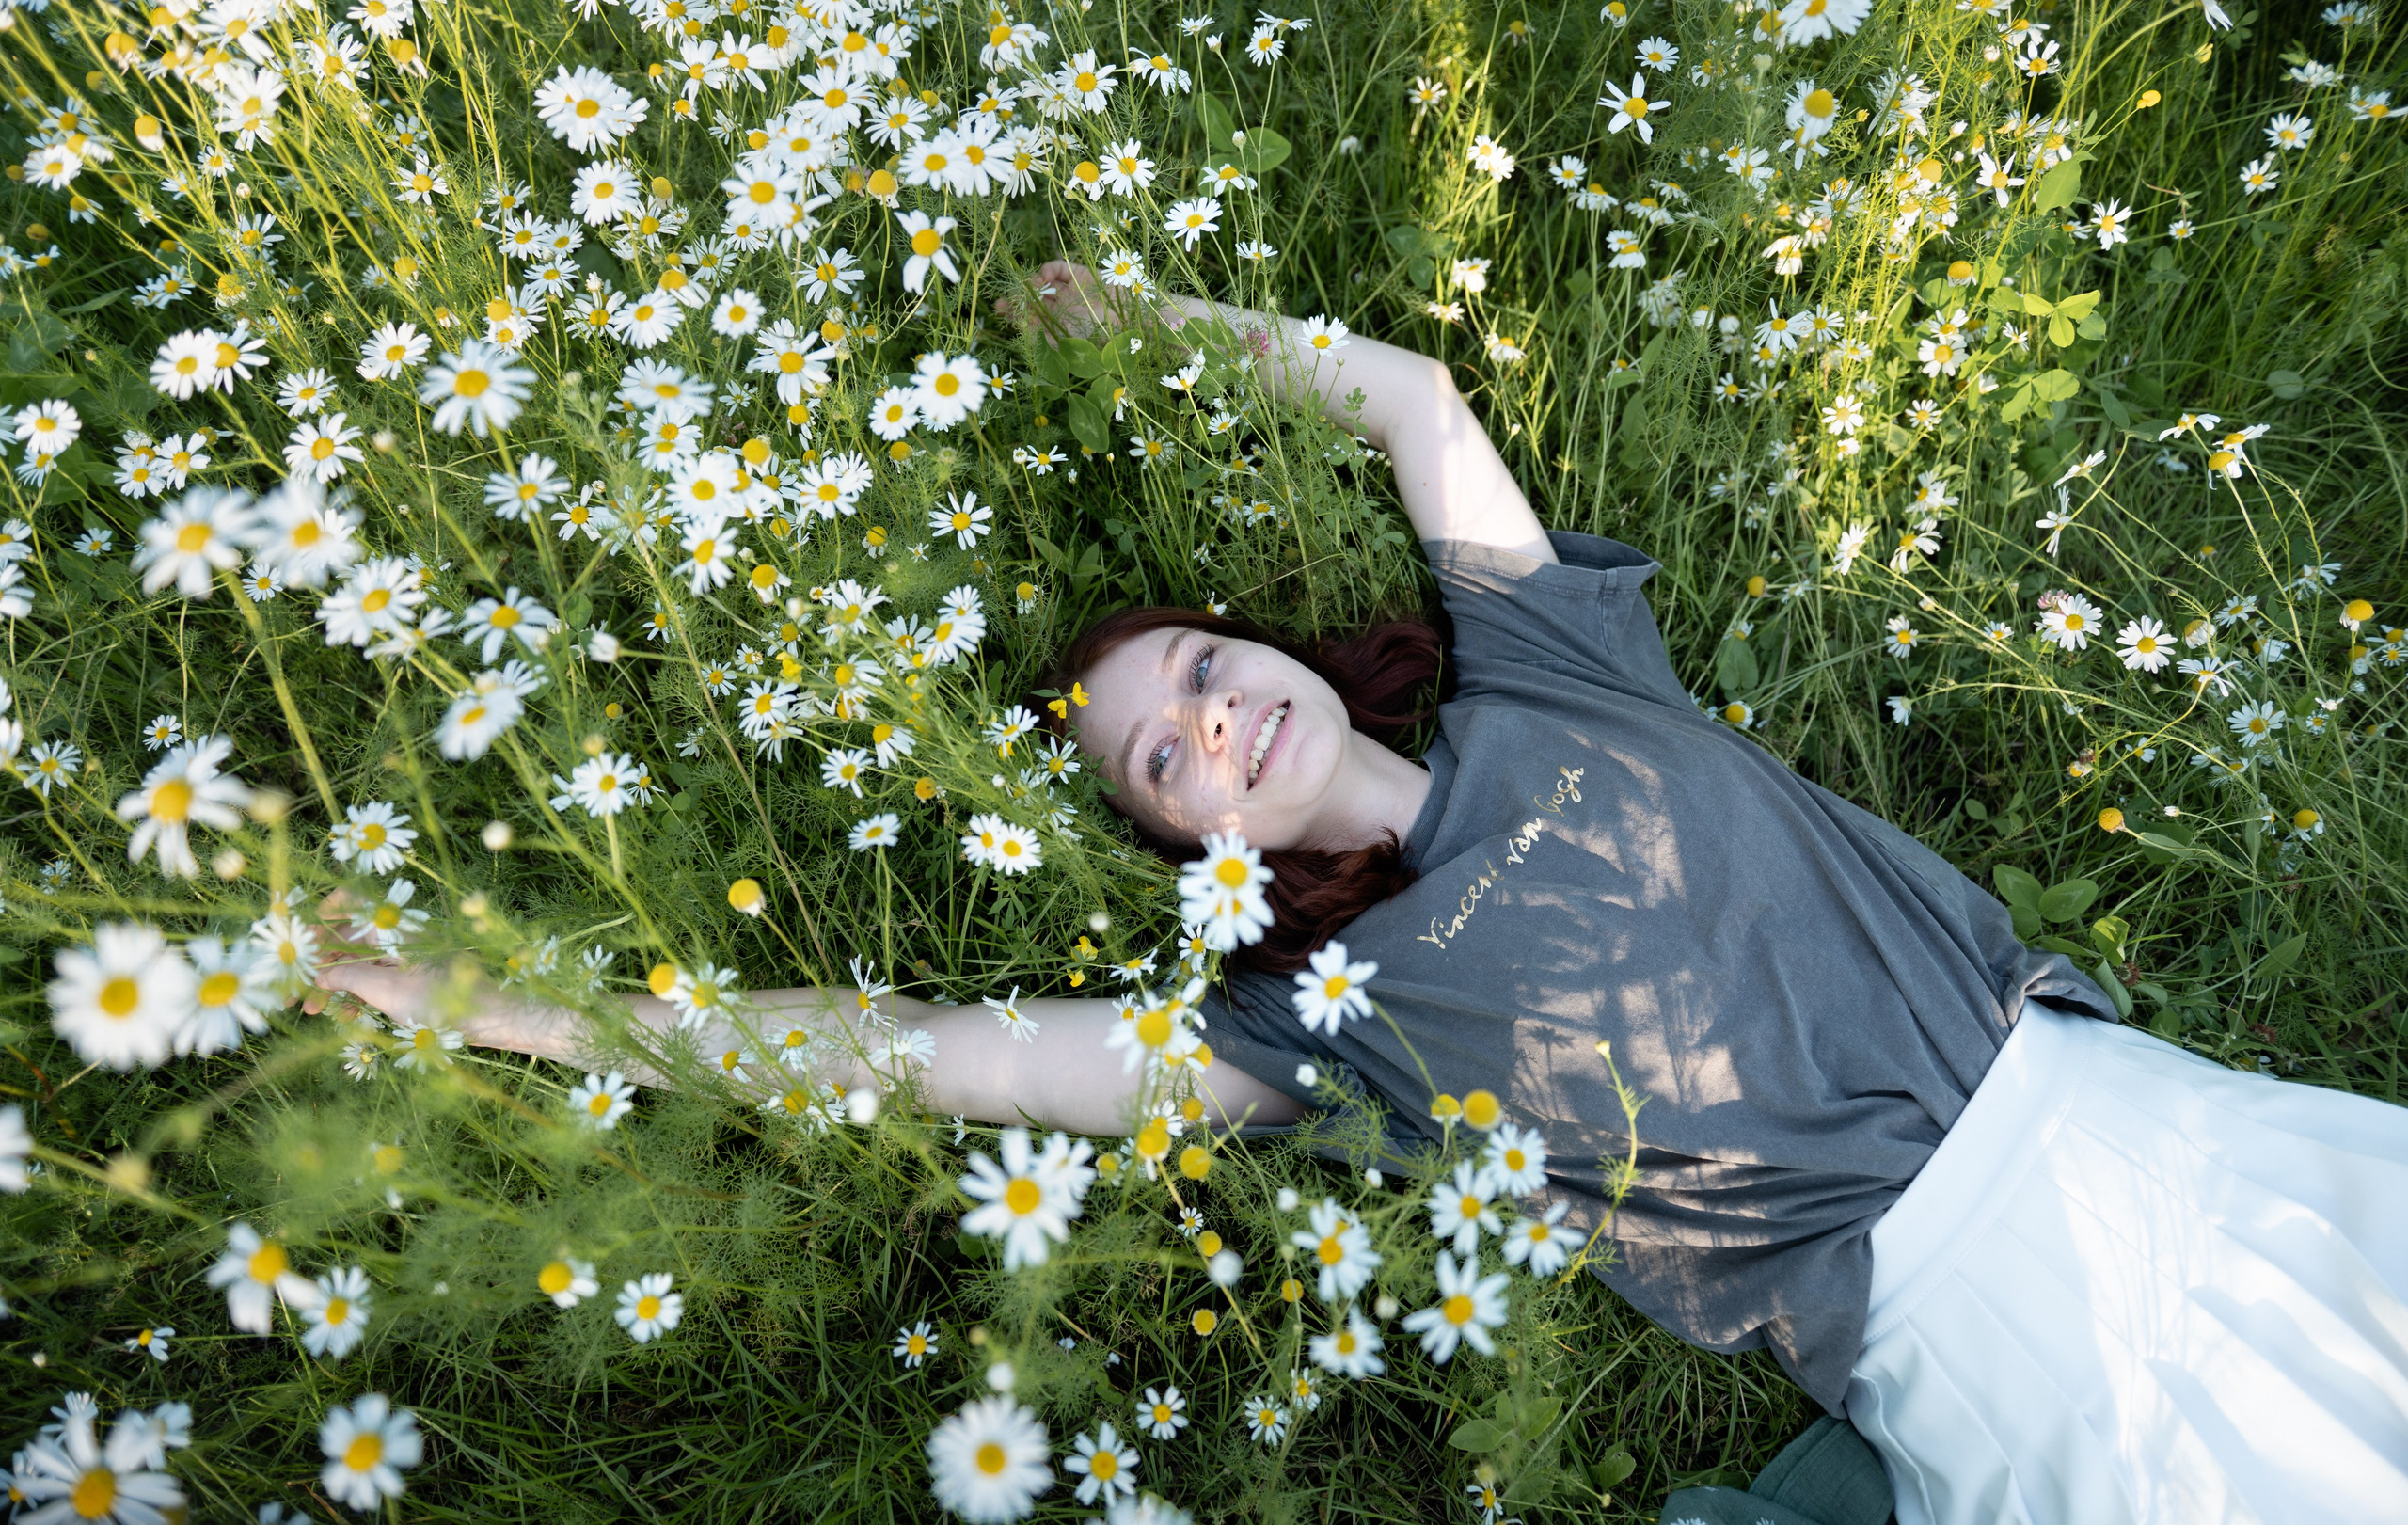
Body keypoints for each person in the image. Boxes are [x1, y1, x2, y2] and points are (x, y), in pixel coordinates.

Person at [318, 262, 2408, 1524]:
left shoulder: (1555, 667)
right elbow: (898, 1054)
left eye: (1208, 668)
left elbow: (1413, 401)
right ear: (1189, 853)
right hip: (1973, 1327)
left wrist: (1135, 324)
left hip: (2147, 1126)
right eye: (1160, 757)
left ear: (1290, 656)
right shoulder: (1315, 1026)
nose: (1212, 720)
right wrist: (480, 1001)